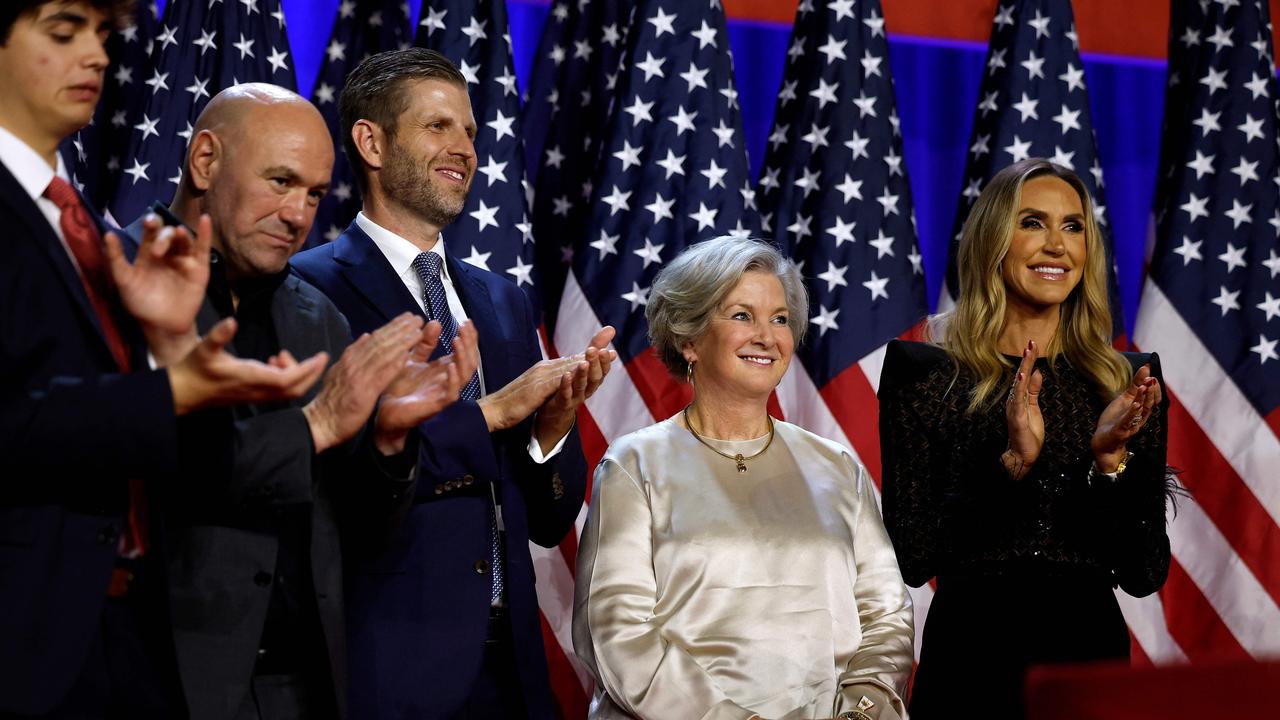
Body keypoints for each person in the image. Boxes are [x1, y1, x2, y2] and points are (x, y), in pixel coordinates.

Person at [0, 3, 330, 717]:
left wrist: (171, 352)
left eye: (101, 34)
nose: (95, 55)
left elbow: (160, 460)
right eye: (64, 33)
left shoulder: (80, 224)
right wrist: (171, 388)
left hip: (119, 646)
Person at [122, 83, 477, 720]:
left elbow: (357, 529)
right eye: (280, 181)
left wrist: (389, 443)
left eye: (313, 194)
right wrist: (314, 425)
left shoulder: (318, 318)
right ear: (205, 161)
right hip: (150, 677)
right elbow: (159, 478)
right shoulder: (114, 285)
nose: (297, 214)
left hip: (303, 687)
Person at [290, 48, 615, 718]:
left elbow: (550, 520)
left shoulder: (501, 301)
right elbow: (337, 478)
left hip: (514, 668)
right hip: (388, 666)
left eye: (468, 131)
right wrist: (489, 414)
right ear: (371, 142)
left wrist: (551, 432)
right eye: (438, 127)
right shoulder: (308, 290)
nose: (464, 149)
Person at [878, 158, 1173, 719]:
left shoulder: (1123, 381)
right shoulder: (924, 373)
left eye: (1073, 226)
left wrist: (1109, 460)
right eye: (1033, 223)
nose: (1056, 245)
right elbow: (914, 557)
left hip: (1088, 666)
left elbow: (1143, 572)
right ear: (994, 240)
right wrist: (1011, 462)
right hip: (971, 664)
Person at [573, 236, 915, 720]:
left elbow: (887, 617)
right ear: (688, 338)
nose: (767, 336)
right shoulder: (634, 464)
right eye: (741, 315)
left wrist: (861, 711)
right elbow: (614, 632)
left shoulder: (836, 466)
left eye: (780, 319)